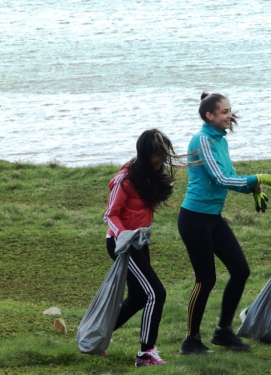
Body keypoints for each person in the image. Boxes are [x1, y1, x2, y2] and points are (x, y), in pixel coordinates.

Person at [178, 91, 271, 355]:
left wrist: (254, 188)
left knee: (240, 270)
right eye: (224, 112)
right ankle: (190, 340)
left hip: (212, 219)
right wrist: (255, 178)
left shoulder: (219, 140)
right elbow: (219, 179)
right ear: (209, 115)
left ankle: (223, 332)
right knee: (205, 279)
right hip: (194, 219)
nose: (229, 115)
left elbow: (230, 175)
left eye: (229, 110)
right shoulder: (202, 140)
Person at [103, 128, 181, 367]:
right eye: (158, 156)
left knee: (138, 297)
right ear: (147, 153)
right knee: (156, 292)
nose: (161, 162)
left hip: (139, 242)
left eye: (164, 156)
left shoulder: (149, 175)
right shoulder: (125, 179)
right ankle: (146, 353)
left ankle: (96, 336)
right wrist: (124, 235)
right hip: (122, 244)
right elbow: (110, 214)